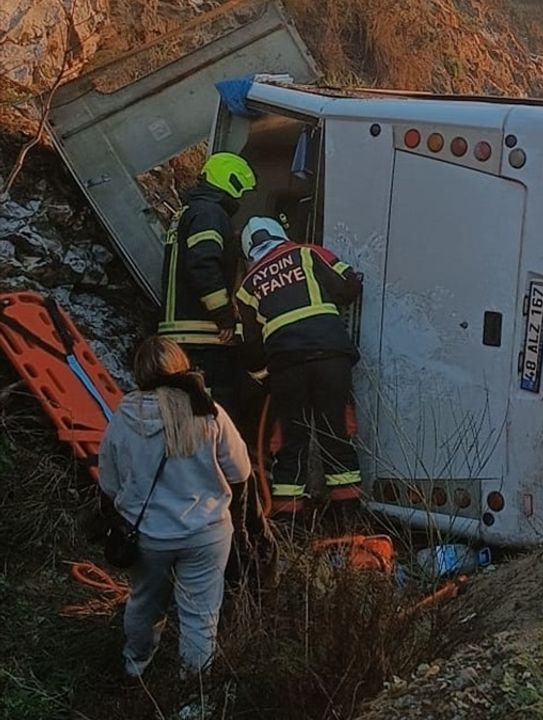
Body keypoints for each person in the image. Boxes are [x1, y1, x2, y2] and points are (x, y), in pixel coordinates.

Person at [98, 337, 250, 679]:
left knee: (144, 605)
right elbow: (241, 471)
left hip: (149, 536)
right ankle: (193, 693)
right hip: (207, 534)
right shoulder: (209, 410)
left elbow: (108, 481)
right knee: (200, 616)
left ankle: (134, 670)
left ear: (139, 371)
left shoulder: (125, 415)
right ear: (182, 364)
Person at [234, 217, 364, 516]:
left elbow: (250, 348)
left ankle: (287, 521)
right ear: (281, 234)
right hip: (330, 358)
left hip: (286, 368)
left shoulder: (247, 286)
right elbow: (348, 286)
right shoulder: (309, 253)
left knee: (291, 442)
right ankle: (347, 517)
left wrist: (264, 376)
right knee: (336, 433)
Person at [160, 152, 257, 424]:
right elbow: (203, 264)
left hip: (181, 333)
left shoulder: (191, 212)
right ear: (231, 183)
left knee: (191, 413)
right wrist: (224, 315)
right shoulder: (209, 213)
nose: (240, 200)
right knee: (217, 414)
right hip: (201, 335)